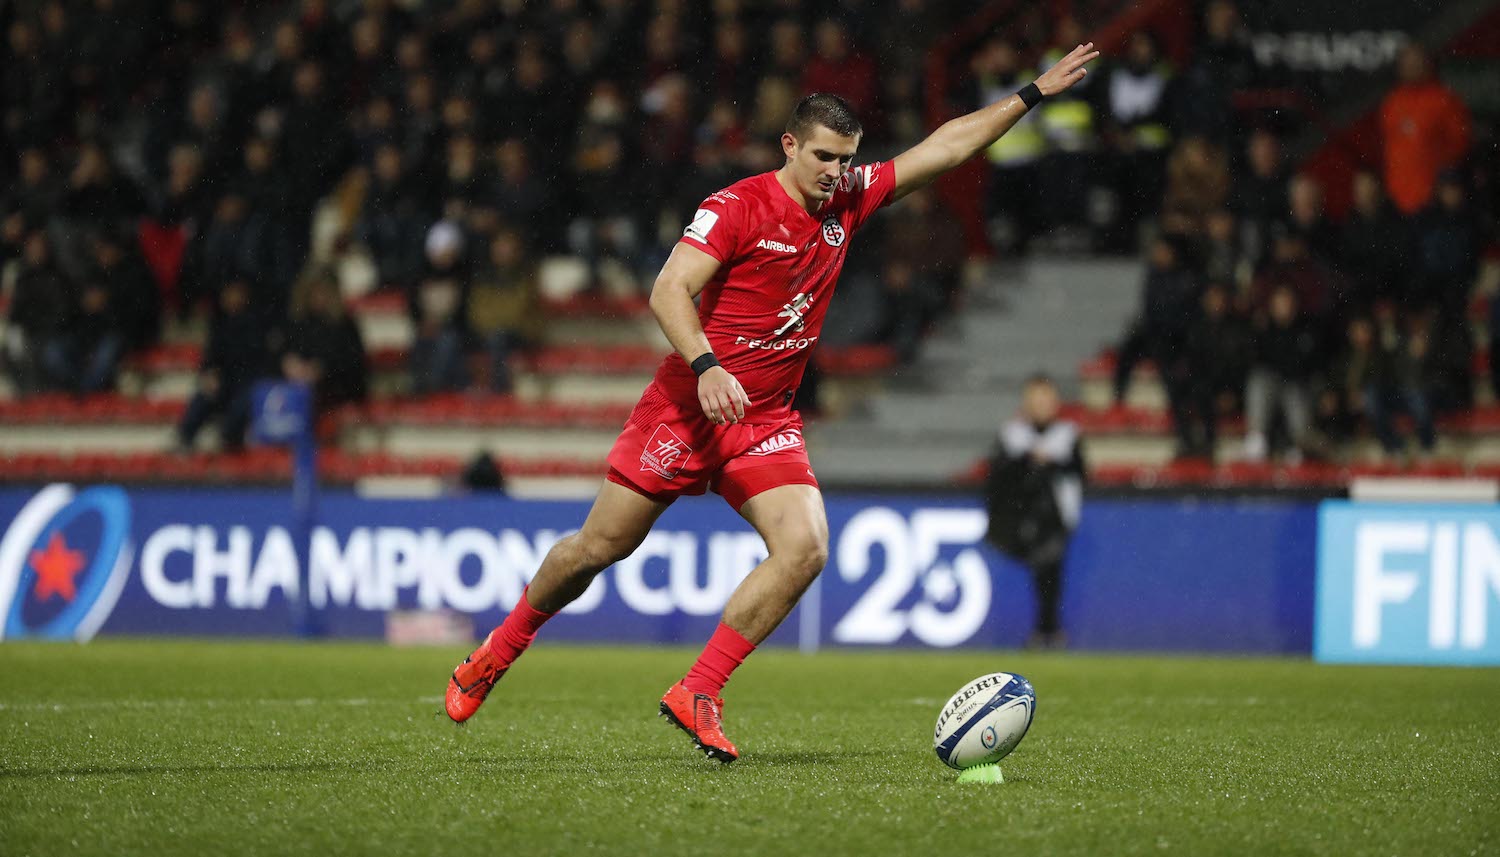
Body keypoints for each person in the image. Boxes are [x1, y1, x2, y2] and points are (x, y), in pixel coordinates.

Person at [444, 44, 1101, 762]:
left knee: (807, 545)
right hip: (690, 405)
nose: (835, 173)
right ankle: (497, 651)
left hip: (764, 419)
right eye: (822, 156)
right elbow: (669, 288)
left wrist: (1032, 93)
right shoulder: (736, 206)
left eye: (845, 159)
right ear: (790, 144)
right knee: (597, 549)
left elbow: (943, 149)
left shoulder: (848, 198)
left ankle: (699, 688)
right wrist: (705, 366)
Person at [983, 374, 1085, 649]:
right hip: (1021, 515)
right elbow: (996, 477)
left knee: (1050, 571)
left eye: (1046, 400)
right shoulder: (1012, 434)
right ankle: (1043, 629)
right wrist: (1026, 461)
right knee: (1039, 571)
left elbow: (1080, 473)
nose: (1041, 406)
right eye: (1035, 400)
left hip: (1055, 516)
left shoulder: (1067, 434)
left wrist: (1050, 464)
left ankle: (1048, 629)